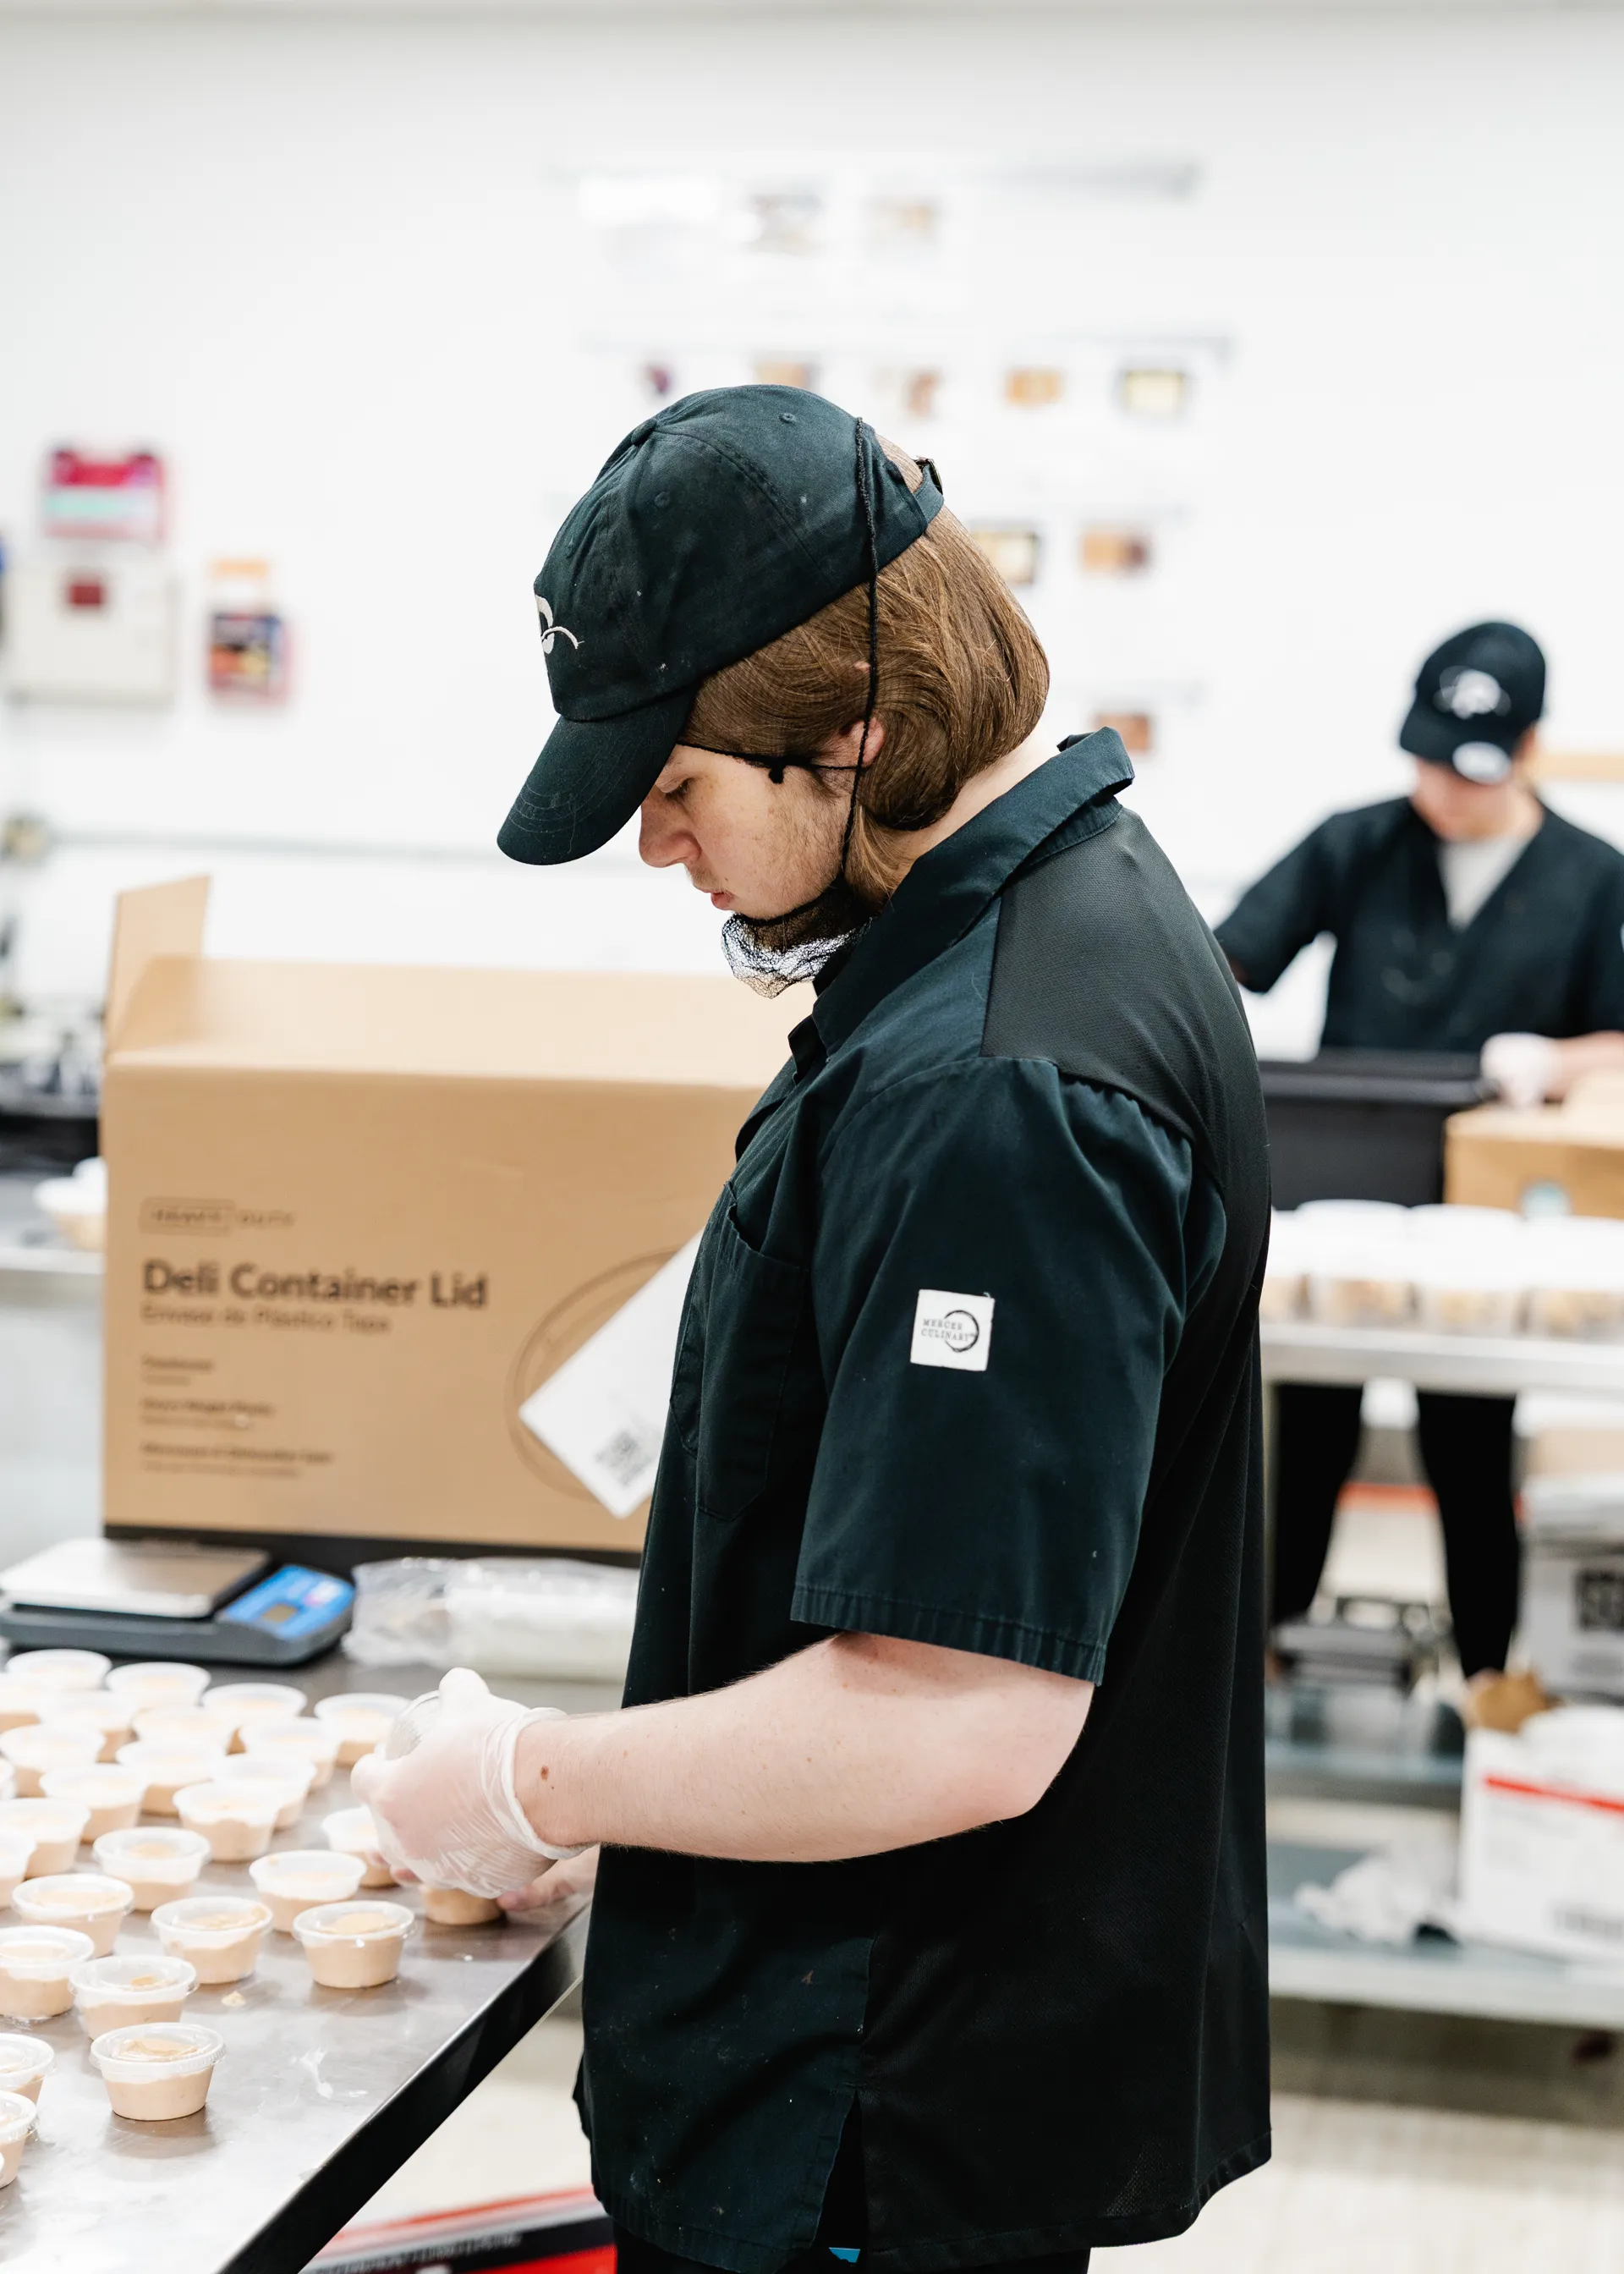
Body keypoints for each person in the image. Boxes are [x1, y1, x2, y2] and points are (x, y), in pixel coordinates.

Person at [356, 387, 1271, 2274]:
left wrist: (536, 1785)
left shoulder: (1002, 1086)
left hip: (870, 2101)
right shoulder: (1051, 924)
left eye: (678, 790)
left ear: (855, 728)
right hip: (904, 2058)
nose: (656, 850)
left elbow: (954, 1719)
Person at [1215, 621, 1624, 1694]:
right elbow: (1225, 961)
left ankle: (1489, 1685)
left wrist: (1559, 1060)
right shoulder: (1358, 844)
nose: (1444, 786)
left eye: (1472, 766)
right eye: (1429, 756)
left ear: (1529, 748)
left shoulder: (1592, 879)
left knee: (1469, 1448)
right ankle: (1258, 1674)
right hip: (1341, 1190)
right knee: (1303, 1444)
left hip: (1484, 1224)